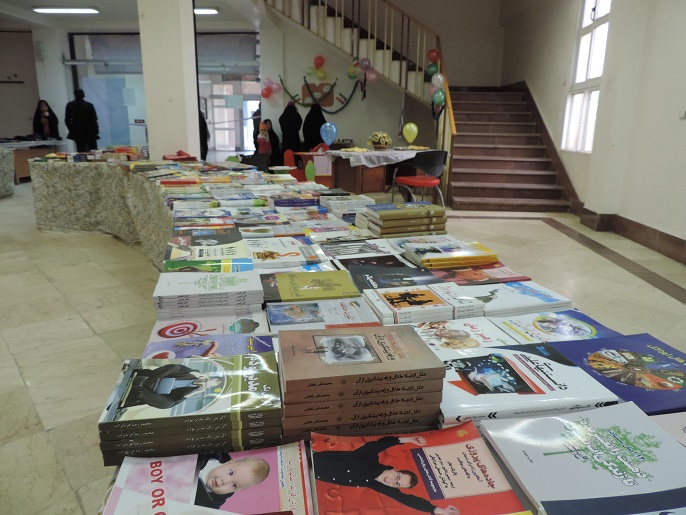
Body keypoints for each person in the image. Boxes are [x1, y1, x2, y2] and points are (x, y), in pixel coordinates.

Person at [313, 435, 460, 515]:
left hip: (311, 475)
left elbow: (406, 499)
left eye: (397, 484)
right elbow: (381, 444)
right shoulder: (368, 458)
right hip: (310, 459)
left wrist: (436, 510)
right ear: (395, 470)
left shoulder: (377, 484)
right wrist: (408, 439)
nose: (392, 481)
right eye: (397, 477)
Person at [126, 363, 222, 409]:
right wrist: (193, 372)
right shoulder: (191, 374)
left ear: (206, 387)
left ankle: (140, 392)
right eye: (206, 380)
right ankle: (142, 385)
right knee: (174, 367)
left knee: (168, 404)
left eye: (206, 384)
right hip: (153, 379)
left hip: (152, 392)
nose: (203, 382)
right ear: (206, 377)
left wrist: (194, 392)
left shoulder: (192, 391)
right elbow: (176, 367)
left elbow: (174, 402)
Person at [195, 451, 270, 509]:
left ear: (238, 490)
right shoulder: (207, 453)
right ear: (228, 463)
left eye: (234, 485)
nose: (225, 481)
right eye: (230, 473)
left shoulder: (210, 504)